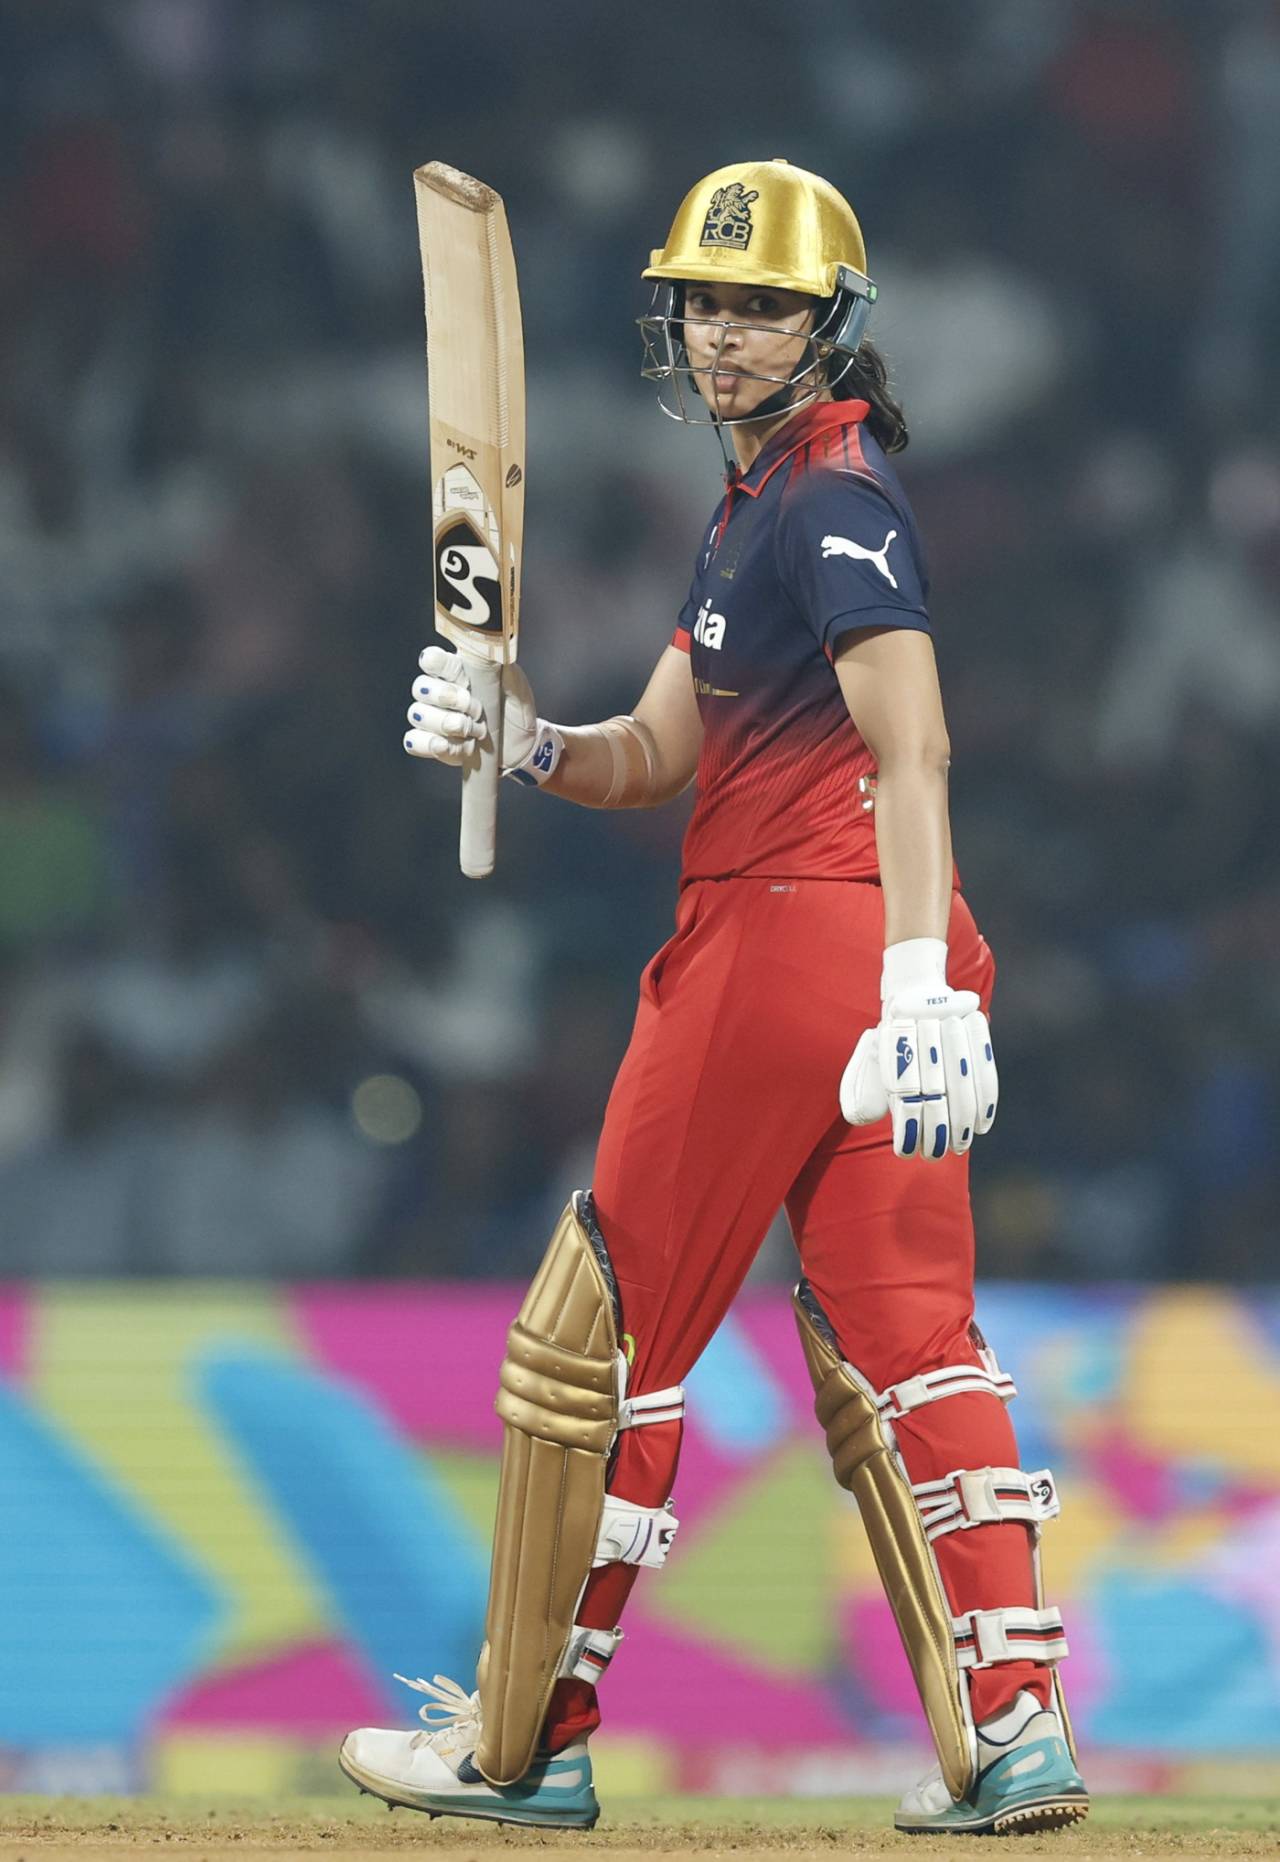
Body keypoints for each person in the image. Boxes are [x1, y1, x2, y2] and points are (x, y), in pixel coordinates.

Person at [339, 159, 1088, 1839]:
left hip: (785, 950)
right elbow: (661, 755)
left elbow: (916, 748)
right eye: (708, 300)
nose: (729, 332)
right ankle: (1012, 1733)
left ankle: (524, 1746)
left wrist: (909, 978)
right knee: (908, 1342)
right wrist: (520, 735)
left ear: (831, 326)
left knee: (594, 1341)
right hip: (874, 957)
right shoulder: (762, 509)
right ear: (674, 317)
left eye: (764, 305)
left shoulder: (831, 503)